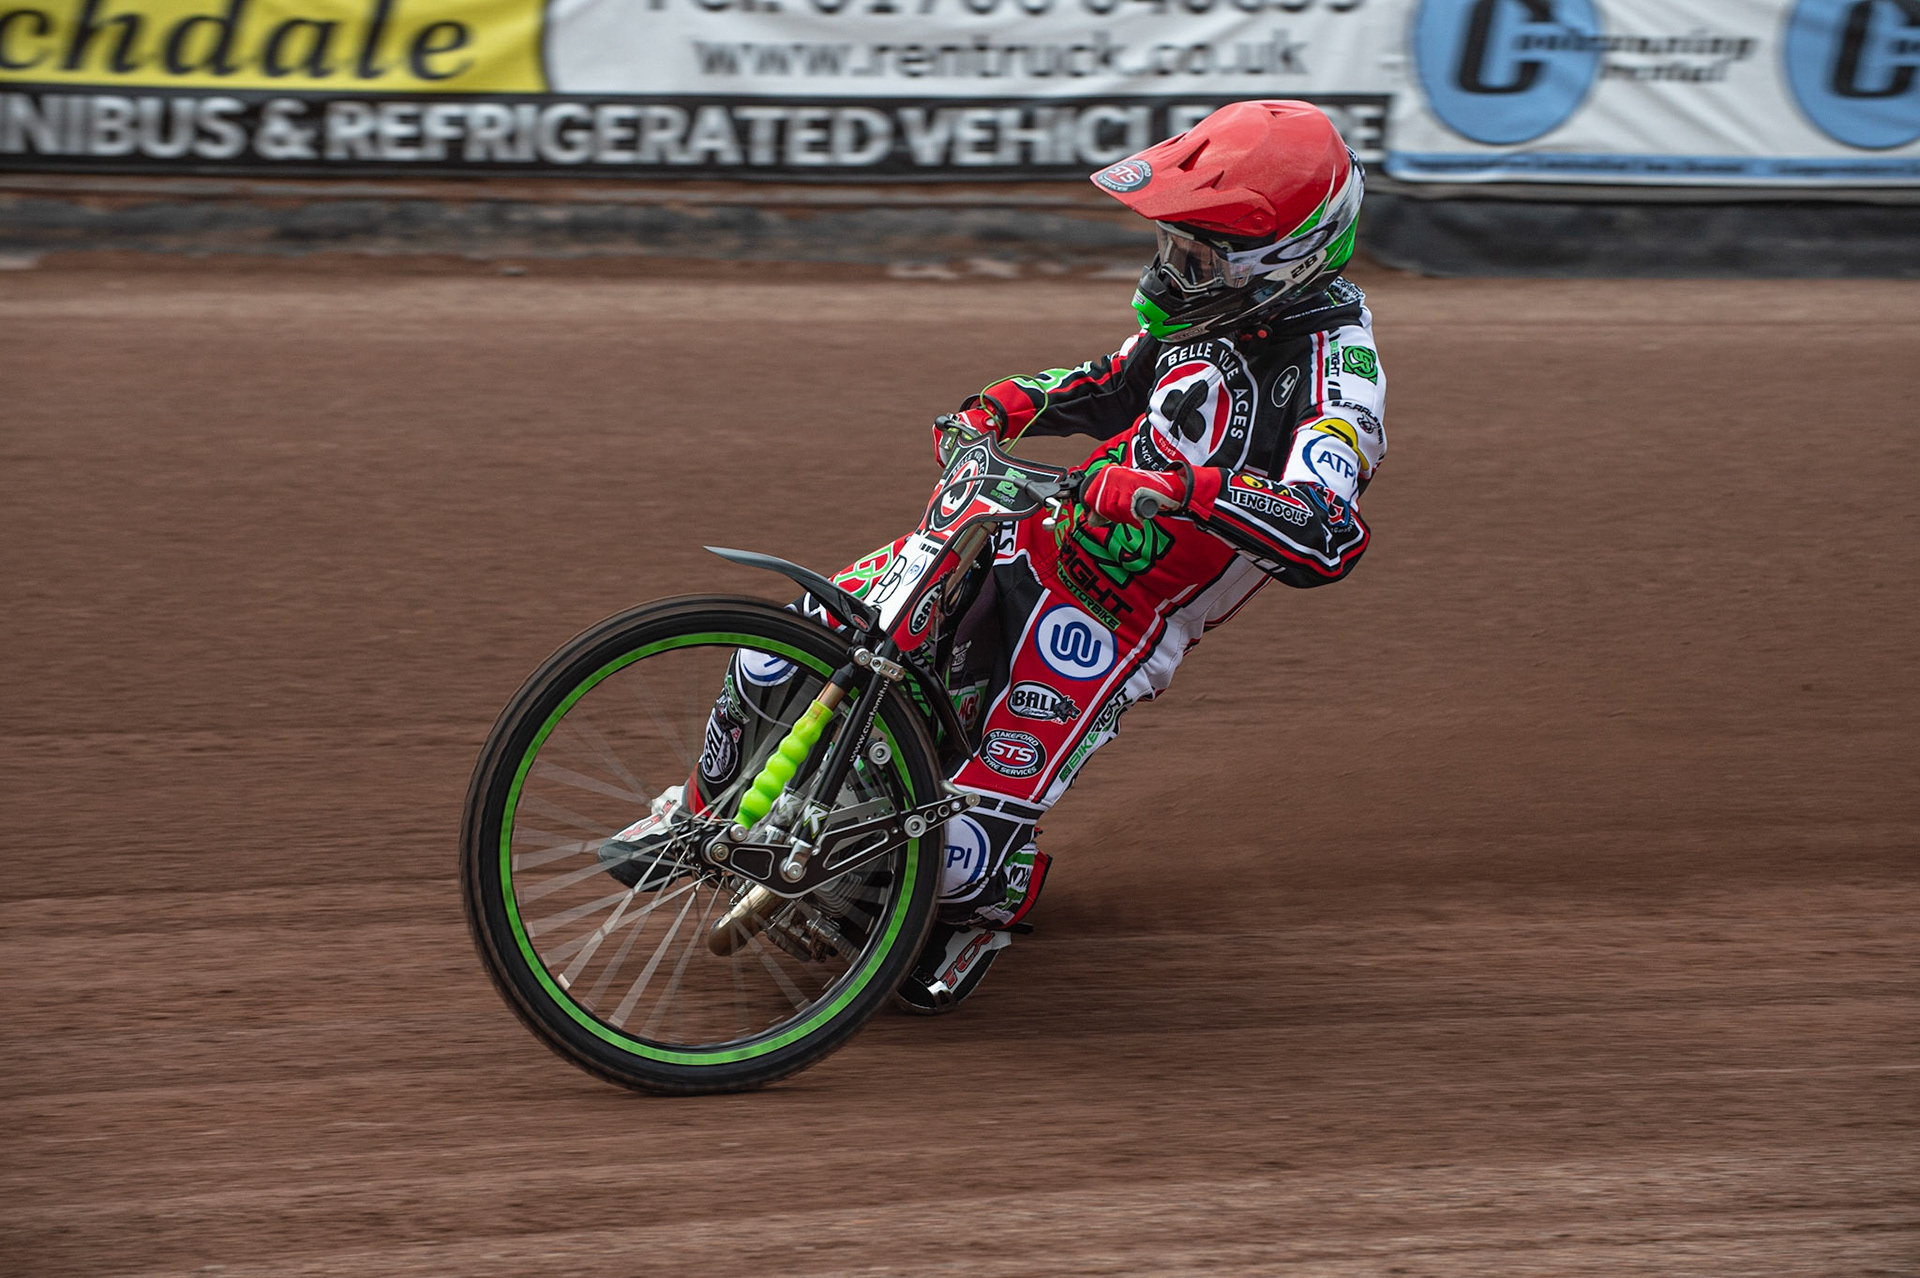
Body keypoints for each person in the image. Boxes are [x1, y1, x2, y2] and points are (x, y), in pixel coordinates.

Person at [606, 99, 1386, 1013]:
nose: (1176, 269)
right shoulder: (1211, 307)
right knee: (782, 645)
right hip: (1019, 529)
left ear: (1282, 261)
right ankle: (695, 813)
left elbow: (1325, 529)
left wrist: (1182, 492)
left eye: (1200, 254)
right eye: (1178, 246)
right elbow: (1109, 383)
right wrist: (998, 407)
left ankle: (990, 899)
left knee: (951, 865)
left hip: (1109, 623)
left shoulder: (1342, 371)